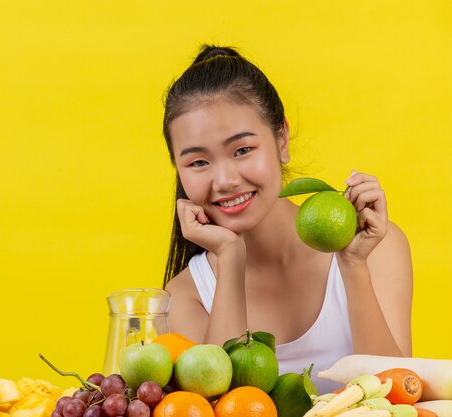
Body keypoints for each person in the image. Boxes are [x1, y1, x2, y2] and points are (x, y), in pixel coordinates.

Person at [161, 45, 413, 393]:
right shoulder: (185, 296)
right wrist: (230, 259)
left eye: (243, 150)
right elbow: (216, 407)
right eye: (198, 163)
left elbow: (400, 398)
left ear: (281, 138)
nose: (224, 181)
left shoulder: (377, 250)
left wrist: (354, 265)